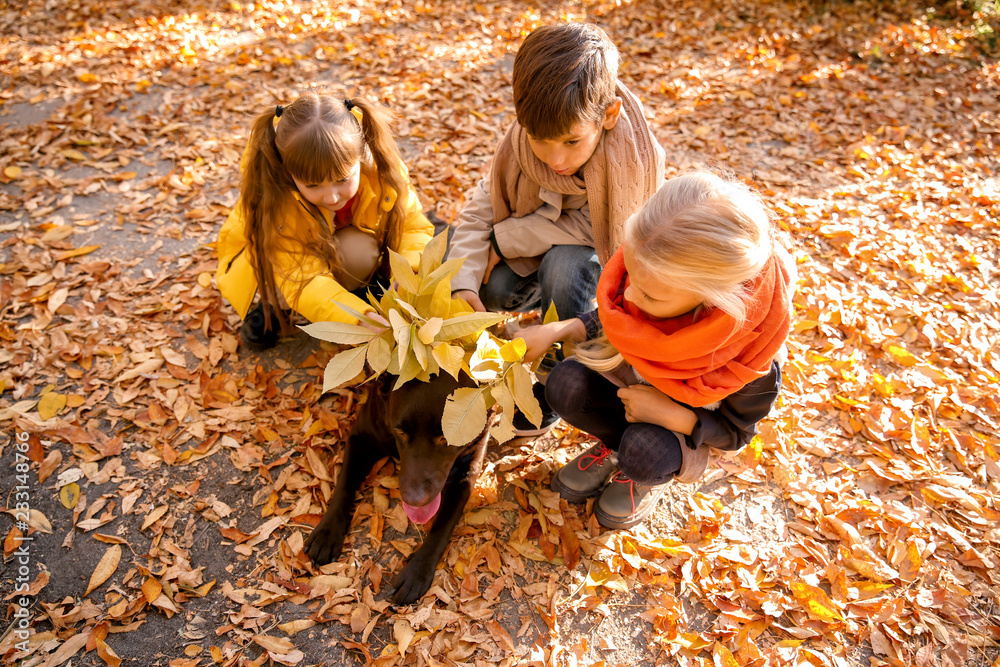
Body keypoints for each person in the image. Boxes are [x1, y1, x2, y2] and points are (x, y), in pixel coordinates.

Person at [515, 172, 795, 530]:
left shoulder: (751, 356)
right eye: (630, 276)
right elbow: (617, 317)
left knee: (645, 448)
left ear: (711, 301)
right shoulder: (653, 270)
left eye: (649, 296)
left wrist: (678, 418)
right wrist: (562, 327)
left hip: (679, 429)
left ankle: (639, 475)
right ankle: (612, 446)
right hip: (630, 387)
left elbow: (736, 434)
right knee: (565, 383)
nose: (629, 297)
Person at [446, 22, 666, 435]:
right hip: (532, 262)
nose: (552, 158)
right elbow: (478, 213)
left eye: (569, 141)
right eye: (539, 140)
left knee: (566, 265)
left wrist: (505, 238)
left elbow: (600, 234)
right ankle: (511, 331)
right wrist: (463, 288)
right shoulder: (520, 143)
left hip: (598, 274)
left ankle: (557, 371)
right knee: (472, 271)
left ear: (609, 116)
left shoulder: (635, 164)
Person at [216, 93, 434, 348]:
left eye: (342, 179)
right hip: (277, 264)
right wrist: (354, 320)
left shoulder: (383, 170)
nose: (331, 197)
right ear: (288, 173)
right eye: (312, 185)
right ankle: (275, 308)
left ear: (359, 157)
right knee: (286, 288)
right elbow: (301, 277)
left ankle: (356, 288)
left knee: (361, 253)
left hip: (334, 244)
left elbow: (413, 225)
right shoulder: (276, 199)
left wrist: (410, 267)